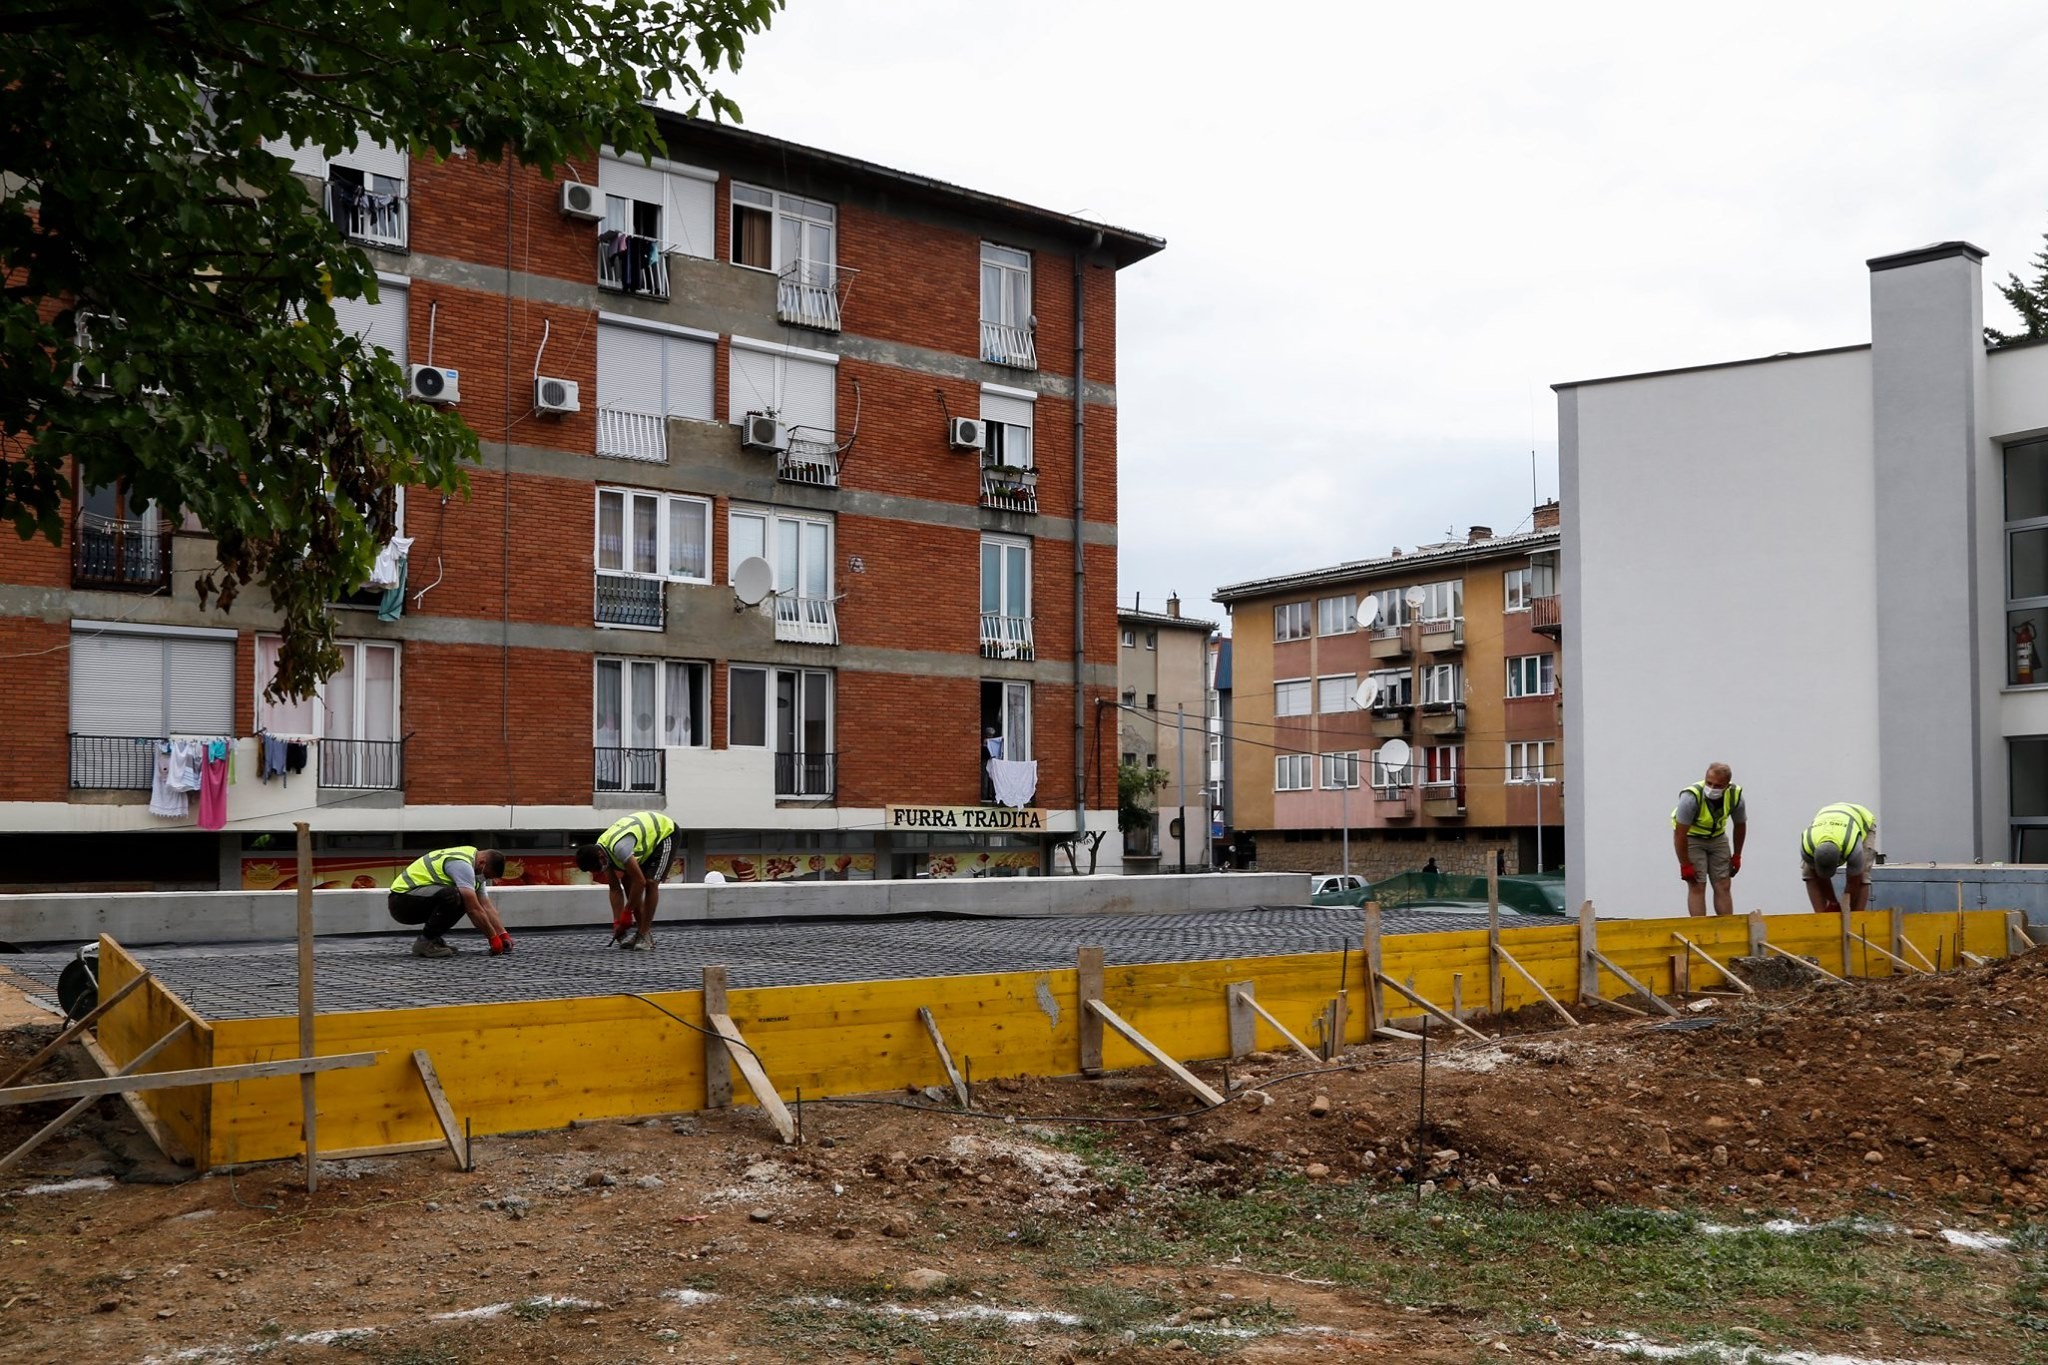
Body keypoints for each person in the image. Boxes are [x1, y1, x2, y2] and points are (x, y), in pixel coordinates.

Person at [576, 810, 678, 951]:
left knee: (651, 882)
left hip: (665, 833)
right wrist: (618, 921)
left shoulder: (619, 848)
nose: (599, 872)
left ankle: (645, 935)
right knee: (628, 882)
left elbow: (640, 882)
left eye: (596, 868)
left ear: (600, 856)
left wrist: (627, 912)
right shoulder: (601, 851)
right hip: (644, 842)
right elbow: (615, 889)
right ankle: (641, 933)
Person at [387, 846, 512, 958]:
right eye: (486, 875)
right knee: (452, 895)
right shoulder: (461, 864)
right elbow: (473, 910)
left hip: (418, 899)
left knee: (462, 896)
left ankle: (433, 940)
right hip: (402, 902)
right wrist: (492, 938)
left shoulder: (475, 869)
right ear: (482, 863)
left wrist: (502, 934)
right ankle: (425, 943)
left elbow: (486, 907)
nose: (484, 879)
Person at [1671, 763, 1746, 917]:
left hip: (1716, 837)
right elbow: (1680, 834)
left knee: (1723, 884)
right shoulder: (1691, 797)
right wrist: (1685, 864)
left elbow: (1740, 825)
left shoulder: (1734, 796)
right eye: (1709, 783)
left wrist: (1737, 855)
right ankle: (1700, 930)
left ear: (1726, 785)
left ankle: (1726, 928)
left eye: (1718, 785)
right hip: (1692, 838)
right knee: (1697, 884)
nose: (1712, 788)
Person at [1802, 802, 1879, 913]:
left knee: (1862, 876)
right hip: (1826, 818)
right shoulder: (1807, 847)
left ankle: (1855, 919)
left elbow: (1853, 882)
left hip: (1862, 819)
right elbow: (1817, 876)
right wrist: (1833, 902)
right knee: (1809, 873)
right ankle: (1821, 920)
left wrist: (1844, 910)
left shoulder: (1852, 848)